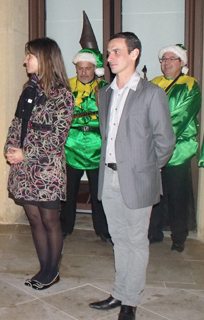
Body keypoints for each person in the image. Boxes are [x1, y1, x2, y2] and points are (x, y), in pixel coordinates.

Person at [89, 32, 175, 320]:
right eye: (108, 53)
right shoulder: (105, 92)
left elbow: (165, 141)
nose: (109, 57)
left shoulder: (152, 93)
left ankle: (131, 300)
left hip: (138, 178)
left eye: (116, 52)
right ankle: (119, 292)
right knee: (119, 238)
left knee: (136, 241)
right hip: (108, 177)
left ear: (134, 54)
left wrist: (150, 169)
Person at [5, 37, 74, 290]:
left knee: (50, 221)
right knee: (33, 220)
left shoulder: (62, 95)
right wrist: (11, 148)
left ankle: (52, 271)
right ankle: (44, 268)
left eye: (29, 56)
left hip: (46, 170)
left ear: (44, 58)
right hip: (24, 169)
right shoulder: (29, 89)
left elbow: (57, 138)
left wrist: (26, 153)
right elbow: (17, 124)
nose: (25, 60)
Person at [148, 44, 201, 252]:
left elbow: (181, 117)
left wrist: (157, 138)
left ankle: (179, 236)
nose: (166, 62)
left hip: (178, 149)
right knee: (153, 194)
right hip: (153, 147)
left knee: (178, 194)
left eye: (172, 58)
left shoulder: (190, 85)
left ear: (182, 62)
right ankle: (154, 232)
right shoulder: (153, 83)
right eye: (164, 59)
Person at [60, 48, 111, 242]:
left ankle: (102, 230)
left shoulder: (105, 88)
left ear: (94, 68)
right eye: (80, 68)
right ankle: (65, 226)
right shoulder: (66, 86)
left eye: (87, 68)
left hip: (97, 146)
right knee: (68, 191)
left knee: (99, 193)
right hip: (71, 145)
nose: (83, 72)